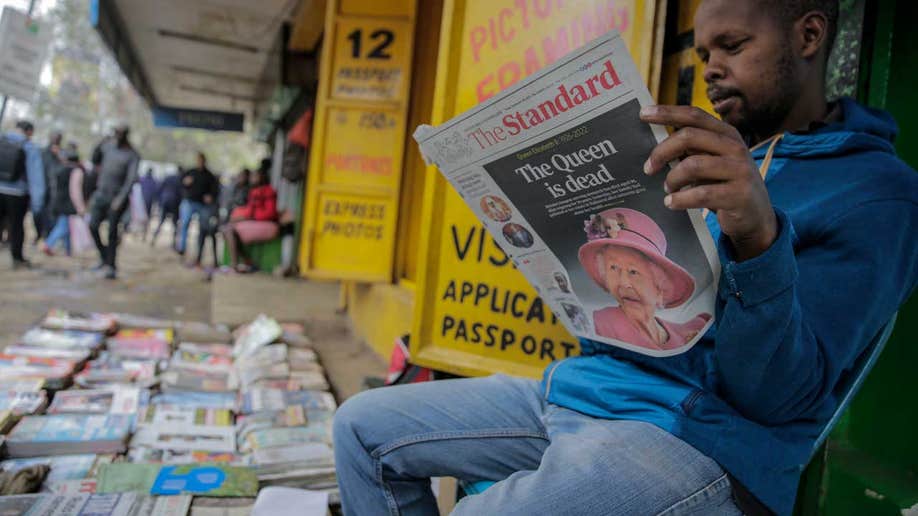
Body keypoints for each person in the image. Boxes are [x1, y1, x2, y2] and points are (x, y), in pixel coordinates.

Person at [332, 1, 918, 515]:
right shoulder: (701, 149)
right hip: (589, 390)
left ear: (808, 36)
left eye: (733, 45)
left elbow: (777, 397)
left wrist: (758, 239)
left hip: (695, 436)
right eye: (703, 51)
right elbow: (619, 326)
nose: (710, 67)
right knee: (361, 429)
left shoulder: (875, 194)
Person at [579, 207, 711, 351]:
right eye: (613, 268)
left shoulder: (687, 333)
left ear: (660, 288)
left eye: (633, 271)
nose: (624, 283)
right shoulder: (601, 323)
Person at [88, 125, 139, 279]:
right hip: (101, 194)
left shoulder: (132, 155)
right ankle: (105, 257)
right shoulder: (108, 147)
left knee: (112, 232)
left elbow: (130, 180)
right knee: (93, 226)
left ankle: (111, 265)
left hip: (116, 198)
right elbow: (94, 159)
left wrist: (120, 199)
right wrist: (100, 142)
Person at [0, 120, 45, 269]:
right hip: (18, 194)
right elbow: (36, 177)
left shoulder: (2, 140)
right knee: (17, 226)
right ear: (29, 131)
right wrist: (38, 203)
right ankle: (17, 259)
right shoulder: (29, 147)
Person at [221, 167, 278, 273]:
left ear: (262, 177)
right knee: (227, 229)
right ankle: (247, 262)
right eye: (251, 176)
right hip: (256, 222)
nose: (251, 178)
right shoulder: (254, 191)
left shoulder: (269, 191)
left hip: (267, 224)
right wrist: (239, 217)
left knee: (229, 230)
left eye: (255, 176)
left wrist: (250, 216)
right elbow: (250, 211)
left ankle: (235, 265)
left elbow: (270, 213)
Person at [40, 149, 86, 256]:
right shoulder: (76, 171)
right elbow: (75, 190)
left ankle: (68, 251)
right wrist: (80, 207)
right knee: (63, 226)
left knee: (66, 226)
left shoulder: (60, 169)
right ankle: (48, 244)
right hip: (68, 203)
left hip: (57, 201)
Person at [176, 152, 219, 267]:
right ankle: (182, 248)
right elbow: (181, 183)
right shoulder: (191, 172)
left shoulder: (209, 176)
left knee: (203, 229)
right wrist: (185, 183)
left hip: (202, 205)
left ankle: (198, 254)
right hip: (189, 202)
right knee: (184, 224)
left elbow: (215, 190)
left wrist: (210, 196)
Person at [36, 131, 62, 242]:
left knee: (51, 213)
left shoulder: (61, 153)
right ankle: (40, 233)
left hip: (55, 189)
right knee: (38, 212)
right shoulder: (42, 152)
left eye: (58, 138)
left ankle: (48, 234)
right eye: (54, 137)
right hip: (42, 186)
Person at [151, 168, 182, 248]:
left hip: (165, 201)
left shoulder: (169, 177)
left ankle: (153, 239)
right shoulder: (180, 179)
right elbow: (181, 193)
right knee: (175, 224)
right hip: (175, 202)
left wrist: (158, 200)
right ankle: (174, 243)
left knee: (161, 221)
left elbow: (159, 188)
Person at [138, 168, 158, 240]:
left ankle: (142, 233)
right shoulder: (154, 181)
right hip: (148, 202)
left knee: (141, 218)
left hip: (141, 201)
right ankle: (144, 233)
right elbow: (156, 193)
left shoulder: (142, 179)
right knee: (146, 218)